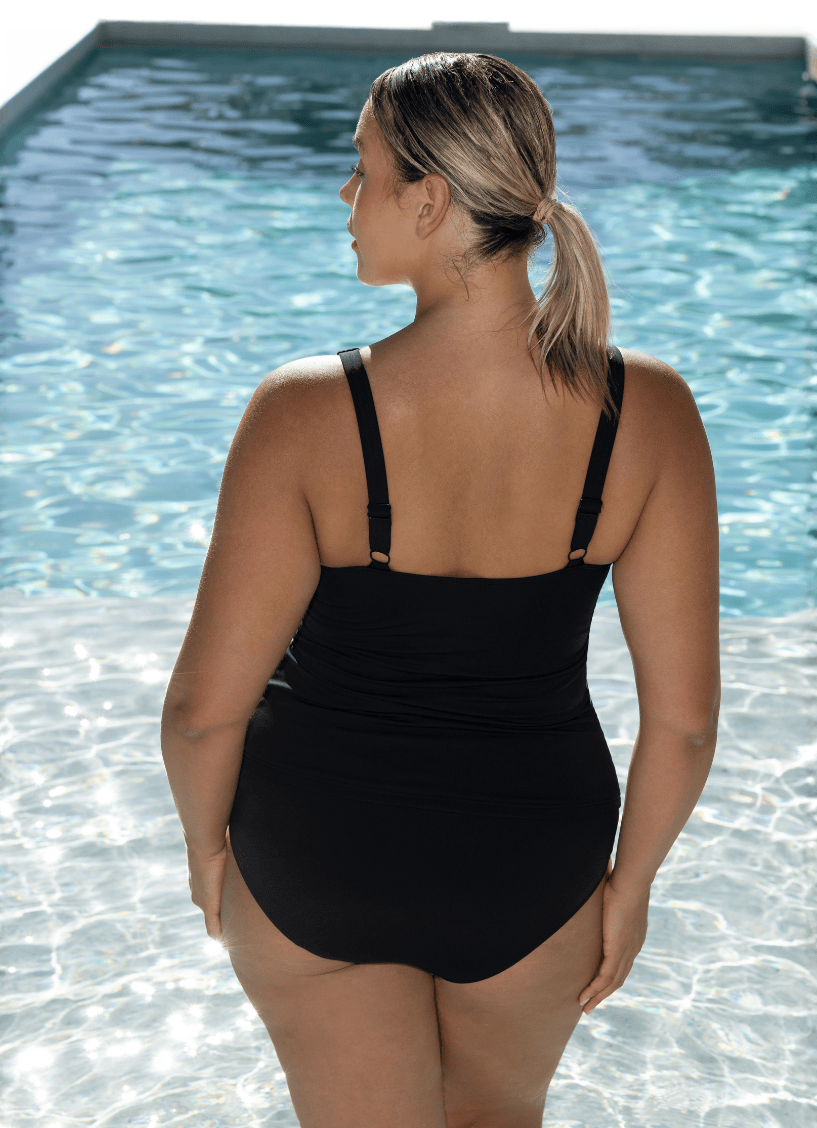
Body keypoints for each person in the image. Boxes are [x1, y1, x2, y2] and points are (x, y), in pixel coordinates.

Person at [160, 51, 720, 1128]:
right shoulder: (647, 412)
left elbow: (200, 712)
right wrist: (632, 885)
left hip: (315, 857)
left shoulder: (304, 412)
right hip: (532, 868)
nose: (345, 194)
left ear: (431, 201)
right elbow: (686, 725)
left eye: (359, 167)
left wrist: (206, 850)